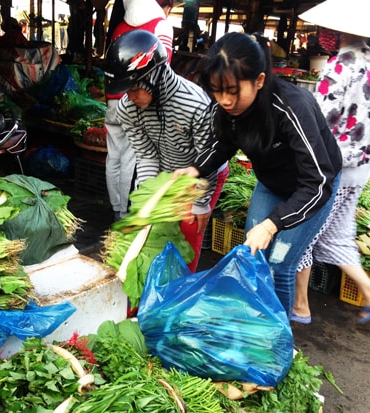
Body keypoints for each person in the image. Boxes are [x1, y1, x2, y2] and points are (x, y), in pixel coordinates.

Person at [174, 32, 343, 316]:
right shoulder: (227, 110)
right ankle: (252, 326)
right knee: (252, 256)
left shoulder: (292, 106)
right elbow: (222, 144)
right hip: (271, 183)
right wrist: (194, 169)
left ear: (259, 80)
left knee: (280, 263)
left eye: (232, 90)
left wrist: (271, 224)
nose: (224, 100)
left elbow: (318, 182)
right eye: (217, 90)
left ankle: (278, 342)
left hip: (311, 188)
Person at [293, 0, 370, 325]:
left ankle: (300, 306)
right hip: (362, 165)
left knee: (303, 231)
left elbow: (318, 117)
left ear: (338, 31)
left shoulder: (339, 65)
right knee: (338, 234)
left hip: (334, 167)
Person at [104, 29, 229, 273]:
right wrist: (149, 197)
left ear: (156, 75)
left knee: (187, 234)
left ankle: (178, 294)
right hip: (164, 170)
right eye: (126, 91)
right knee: (152, 230)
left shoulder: (195, 103)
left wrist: (201, 202)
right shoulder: (127, 108)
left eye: (135, 89)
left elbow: (208, 156)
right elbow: (145, 154)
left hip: (202, 170)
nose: (130, 97)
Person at [104, 0, 174, 222]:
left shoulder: (119, 27)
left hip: (113, 97)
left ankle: (116, 208)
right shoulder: (161, 26)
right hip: (138, 98)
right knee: (133, 158)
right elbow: (163, 70)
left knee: (114, 155)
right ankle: (125, 214)